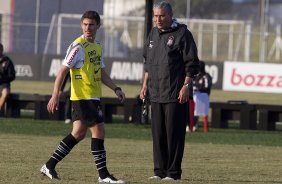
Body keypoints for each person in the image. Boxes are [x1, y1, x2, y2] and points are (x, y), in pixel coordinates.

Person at [40, 11, 126, 184]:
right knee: (99, 131)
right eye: (85, 24)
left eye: (92, 24)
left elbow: (101, 72)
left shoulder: (98, 47)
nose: (88, 28)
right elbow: (63, 71)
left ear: (98, 26)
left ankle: (49, 165)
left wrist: (115, 88)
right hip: (83, 98)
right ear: (81, 25)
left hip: (93, 97)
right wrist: (55, 94)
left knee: (78, 134)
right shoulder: (78, 47)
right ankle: (104, 175)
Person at [140, 1, 199, 181]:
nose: (158, 19)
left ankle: (173, 173)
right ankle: (159, 172)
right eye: (156, 16)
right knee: (158, 135)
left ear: (170, 16)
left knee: (174, 134)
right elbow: (148, 64)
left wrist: (186, 86)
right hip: (156, 93)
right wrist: (144, 86)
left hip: (175, 94)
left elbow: (192, 64)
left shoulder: (182, 34)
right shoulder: (152, 34)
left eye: (162, 16)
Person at [189, 60, 212, 133]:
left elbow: (207, 86)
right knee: (194, 111)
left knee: (197, 111)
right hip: (196, 95)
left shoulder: (206, 76)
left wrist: (198, 88)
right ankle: (192, 126)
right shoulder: (196, 75)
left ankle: (193, 127)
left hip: (201, 95)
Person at [0, 43, 16, 115]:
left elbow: (12, 76)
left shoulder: (7, 61)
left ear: (2, 50)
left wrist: (3, 78)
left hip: (4, 84)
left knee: (5, 93)